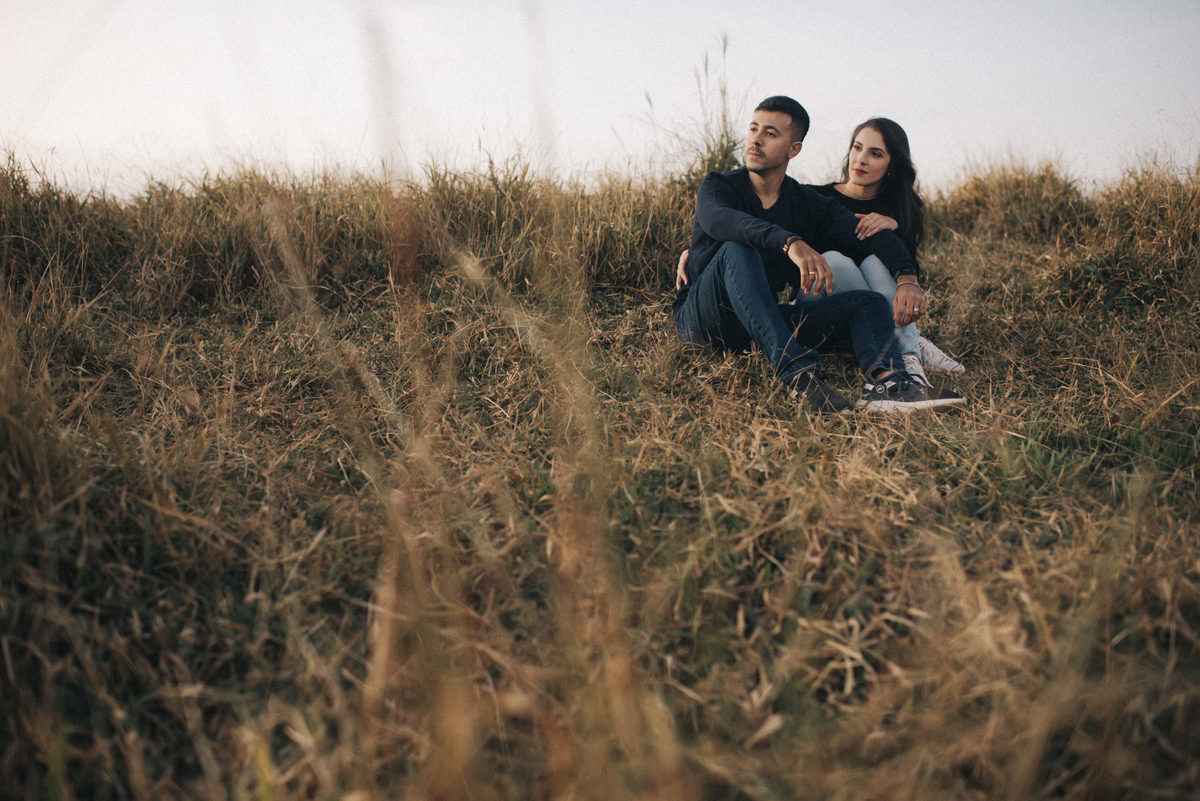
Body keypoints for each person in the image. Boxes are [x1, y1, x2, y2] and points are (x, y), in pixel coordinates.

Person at [673, 95, 963, 414]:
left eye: (771, 133)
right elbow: (720, 220)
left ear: (793, 148)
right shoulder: (718, 186)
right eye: (753, 128)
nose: (756, 139)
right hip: (702, 321)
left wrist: (907, 278)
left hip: (758, 323)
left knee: (868, 302)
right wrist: (790, 243)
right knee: (738, 249)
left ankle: (887, 383)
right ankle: (801, 377)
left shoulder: (805, 201)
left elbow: (866, 235)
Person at [802, 117, 964, 383]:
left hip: (863, 322)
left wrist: (895, 229)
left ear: (892, 165)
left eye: (875, 153)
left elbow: (908, 267)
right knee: (833, 260)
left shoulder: (900, 209)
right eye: (857, 147)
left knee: (877, 262)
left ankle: (909, 358)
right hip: (820, 306)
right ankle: (908, 343)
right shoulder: (816, 197)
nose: (861, 159)